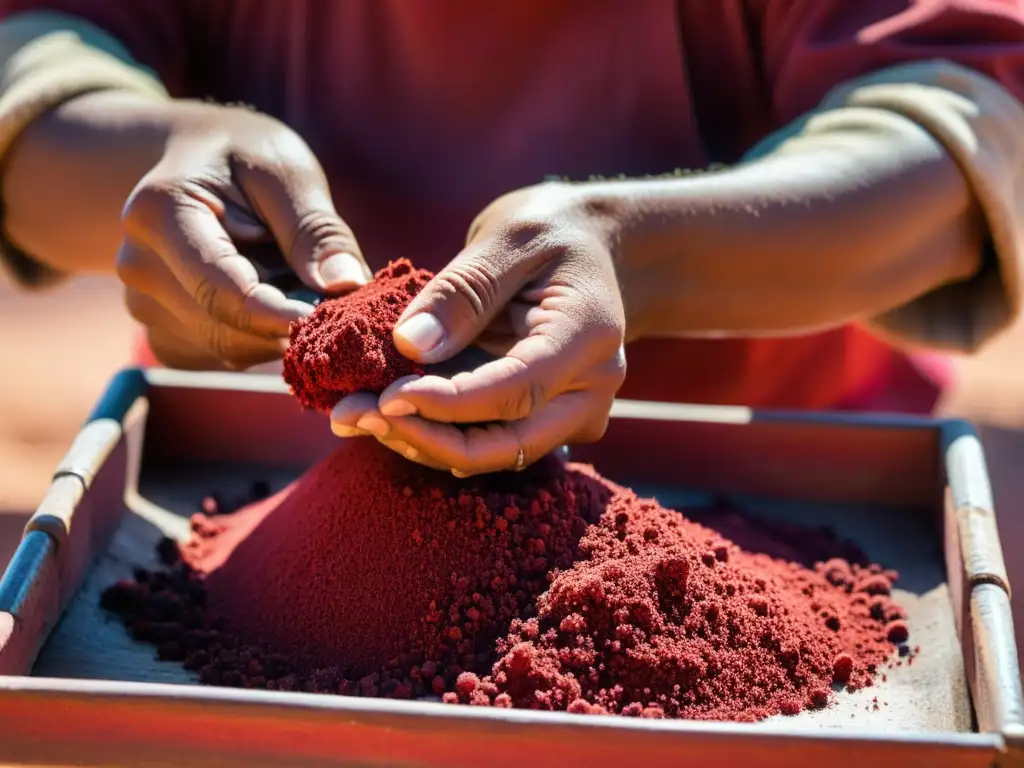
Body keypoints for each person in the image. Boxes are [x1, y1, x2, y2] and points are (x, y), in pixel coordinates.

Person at [0, 1, 1022, 477]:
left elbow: (960, 117)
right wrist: (152, 152)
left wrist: (639, 254)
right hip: (245, 469)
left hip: (769, 476)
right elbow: (34, 47)